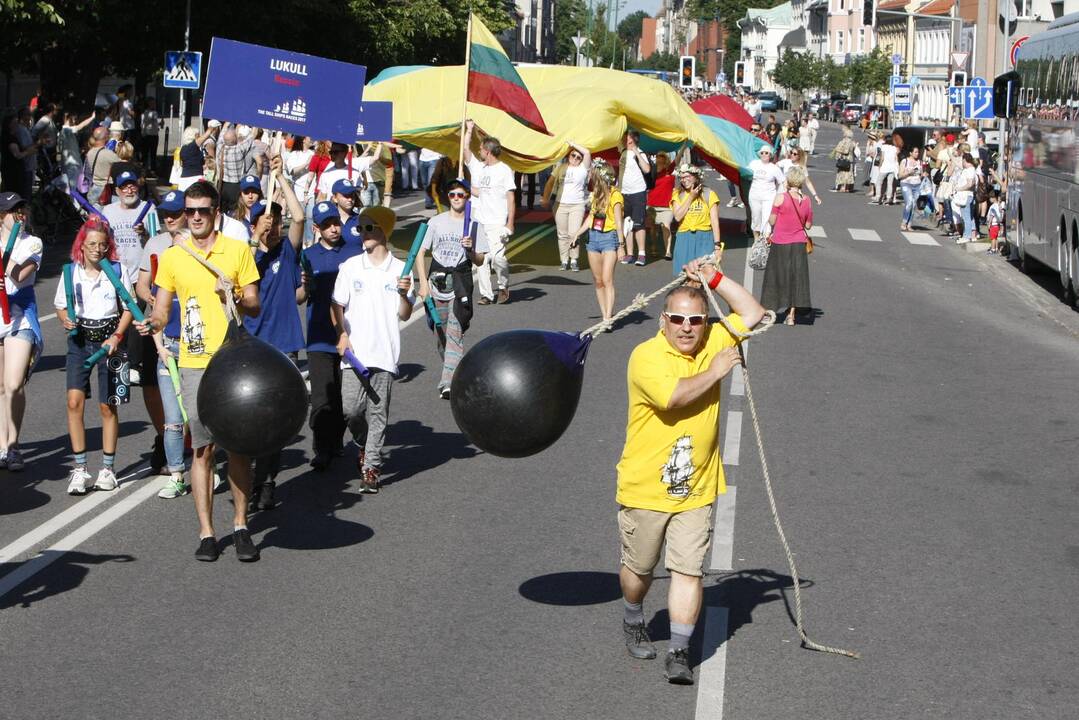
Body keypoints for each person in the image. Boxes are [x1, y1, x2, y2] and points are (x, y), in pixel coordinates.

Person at [616, 260, 765, 685]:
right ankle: (632, 615)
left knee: (688, 570)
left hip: (696, 489)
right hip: (645, 489)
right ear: (663, 321)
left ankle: (679, 652)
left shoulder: (714, 338)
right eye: (677, 319)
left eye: (695, 320)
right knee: (639, 572)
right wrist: (716, 370)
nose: (686, 328)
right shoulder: (645, 356)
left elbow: (753, 313)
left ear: (705, 322)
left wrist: (714, 278)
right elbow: (673, 397)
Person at [135, 180, 262, 563]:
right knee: (203, 448)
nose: (193, 217)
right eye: (189, 211)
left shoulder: (237, 251)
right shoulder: (174, 256)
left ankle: (240, 524)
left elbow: (255, 305)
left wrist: (235, 294)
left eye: (201, 211)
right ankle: (207, 532)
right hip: (193, 362)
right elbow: (162, 309)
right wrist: (152, 324)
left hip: (233, 361)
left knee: (238, 446)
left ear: (215, 214)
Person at [332, 206, 414, 494]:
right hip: (355, 352)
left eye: (369, 228)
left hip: (384, 352)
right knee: (351, 409)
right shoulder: (351, 267)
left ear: (383, 231)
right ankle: (364, 442)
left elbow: (404, 313)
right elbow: (337, 305)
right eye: (360, 229)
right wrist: (342, 335)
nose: (363, 234)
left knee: (378, 412)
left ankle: (372, 467)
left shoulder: (400, 270)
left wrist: (403, 293)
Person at [243, 157, 306, 511]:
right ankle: (250, 479)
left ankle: (268, 481)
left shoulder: (287, 250)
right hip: (252, 343)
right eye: (267, 221)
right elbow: (239, 277)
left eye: (275, 221)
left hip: (283, 345)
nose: (273, 226)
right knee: (251, 416)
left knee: (275, 417)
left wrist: (280, 178)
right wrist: (255, 238)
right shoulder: (247, 254)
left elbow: (299, 217)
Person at [55, 217, 134, 495]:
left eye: (102, 244)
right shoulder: (70, 272)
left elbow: (128, 308)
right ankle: (79, 468)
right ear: (82, 245)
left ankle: (108, 469)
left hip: (111, 343)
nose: (97, 249)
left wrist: (117, 336)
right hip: (80, 342)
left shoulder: (117, 270)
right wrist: (65, 320)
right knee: (74, 401)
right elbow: (61, 307)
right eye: (92, 244)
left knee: (107, 405)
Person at [299, 201, 364, 472]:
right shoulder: (309, 256)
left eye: (336, 222)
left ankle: (337, 440)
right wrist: (302, 285)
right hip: (318, 336)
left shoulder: (353, 251)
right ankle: (321, 448)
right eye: (326, 225)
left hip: (348, 334)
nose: (333, 228)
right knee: (322, 396)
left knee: (341, 394)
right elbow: (301, 296)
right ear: (316, 228)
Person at [135, 189, 189, 498]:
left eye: (175, 211)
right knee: (167, 411)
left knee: (196, 414)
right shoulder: (157, 247)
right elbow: (146, 290)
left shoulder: (197, 249)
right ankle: (173, 466)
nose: (169, 217)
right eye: (165, 212)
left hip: (194, 344)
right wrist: (155, 300)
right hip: (163, 337)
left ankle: (206, 466)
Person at [415, 179, 488, 398]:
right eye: (452, 195)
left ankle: (448, 382)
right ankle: (455, 369)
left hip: (460, 284)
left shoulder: (474, 225)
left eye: (461, 195)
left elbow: (480, 261)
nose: (456, 198)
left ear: (467, 198)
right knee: (442, 335)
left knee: (455, 333)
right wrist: (423, 283)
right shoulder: (436, 222)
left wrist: (471, 248)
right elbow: (420, 252)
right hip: (436, 283)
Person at [0, 192, 43, 471]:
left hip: (20, 316)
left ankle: (13, 446)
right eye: (12, 210)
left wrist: (5, 255)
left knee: (14, 384)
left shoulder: (33, 242)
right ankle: (2, 445)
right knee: (1, 387)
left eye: (21, 208)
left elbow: (20, 276)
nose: (19, 214)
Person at [463, 120, 516, 305]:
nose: (478, 152)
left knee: (498, 258)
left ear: (488, 151)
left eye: (481, 149)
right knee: (481, 260)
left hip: (498, 222)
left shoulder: (504, 171)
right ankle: (486, 294)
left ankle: (503, 285)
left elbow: (510, 197)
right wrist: (469, 130)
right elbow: (466, 151)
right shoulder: (480, 168)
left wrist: (510, 222)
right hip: (480, 221)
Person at [760, 166, 813, 326]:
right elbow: (809, 225)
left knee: (775, 278)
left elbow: (772, 220)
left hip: (781, 242)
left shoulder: (780, 198)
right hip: (798, 243)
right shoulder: (807, 200)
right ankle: (791, 316)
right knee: (796, 278)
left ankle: (769, 313)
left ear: (788, 181)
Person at [572, 160, 622, 326]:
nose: (592, 178)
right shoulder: (595, 195)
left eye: (594, 175)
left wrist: (621, 246)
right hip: (594, 238)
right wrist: (577, 234)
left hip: (609, 238)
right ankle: (604, 315)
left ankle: (608, 317)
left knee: (607, 279)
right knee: (598, 280)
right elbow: (592, 217)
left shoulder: (615, 195)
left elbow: (618, 221)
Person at [543, 142, 590, 272]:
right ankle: (564, 260)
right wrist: (545, 198)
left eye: (578, 157)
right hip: (560, 204)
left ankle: (574, 259)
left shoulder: (583, 169)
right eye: (572, 155)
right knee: (562, 234)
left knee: (574, 233)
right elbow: (551, 182)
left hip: (577, 205)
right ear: (568, 155)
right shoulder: (561, 167)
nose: (575, 158)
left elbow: (586, 152)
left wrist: (572, 142)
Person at [669, 164, 722, 277]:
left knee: (704, 276)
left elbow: (715, 222)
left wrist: (717, 246)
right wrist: (691, 197)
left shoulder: (709, 194)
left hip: (704, 238)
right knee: (683, 276)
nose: (684, 180)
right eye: (682, 177)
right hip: (684, 237)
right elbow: (677, 217)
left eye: (687, 176)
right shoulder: (678, 194)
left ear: (696, 177)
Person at [619, 130, 652, 266]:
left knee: (638, 224)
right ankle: (630, 253)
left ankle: (642, 254)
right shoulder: (623, 152)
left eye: (626, 137)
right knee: (627, 223)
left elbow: (647, 169)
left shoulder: (641, 153)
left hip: (638, 192)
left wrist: (637, 152)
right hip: (624, 192)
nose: (624, 139)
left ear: (633, 139)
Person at [746, 145, 785, 243]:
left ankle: (765, 239)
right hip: (754, 195)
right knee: (755, 217)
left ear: (770, 155)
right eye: (762, 153)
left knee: (766, 217)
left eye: (766, 153)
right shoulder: (754, 164)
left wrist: (781, 195)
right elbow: (745, 173)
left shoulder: (774, 168)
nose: (764, 154)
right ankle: (756, 238)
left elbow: (783, 182)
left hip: (769, 196)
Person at [646, 153, 676, 261]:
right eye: (658, 160)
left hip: (666, 206)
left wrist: (683, 147)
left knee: (666, 226)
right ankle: (654, 246)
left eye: (662, 161)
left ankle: (668, 251)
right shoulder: (651, 172)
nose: (660, 162)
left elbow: (676, 160)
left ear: (666, 162)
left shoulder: (669, 171)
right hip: (652, 204)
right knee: (652, 227)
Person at [83, 127, 121, 206]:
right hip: (106, 191)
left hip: (93, 189)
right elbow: (121, 169)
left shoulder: (89, 153)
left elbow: (87, 173)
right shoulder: (109, 154)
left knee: (95, 216)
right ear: (106, 137)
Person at [898, 147, 925, 232]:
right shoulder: (905, 161)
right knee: (909, 203)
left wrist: (923, 175)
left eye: (918, 152)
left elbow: (920, 175)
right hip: (906, 183)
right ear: (910, 153)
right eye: (915, 152)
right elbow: (900, 175)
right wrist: (909, 173)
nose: (917, 154)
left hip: (916, 185)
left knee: (913, 205)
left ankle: (909, 224)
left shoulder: (920, 162)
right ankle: (904, 222)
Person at [830, 127, 857, 194]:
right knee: (849, 174)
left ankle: (842, 187)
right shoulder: (852, 142)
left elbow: (845, 151)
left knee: (842, 173)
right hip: (850, 160)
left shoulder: (844, 141)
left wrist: (838, 150)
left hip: (844, 159)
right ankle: (847, 188)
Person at [874, 135, 899, 206]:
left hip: (885, 167)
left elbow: (882, 157)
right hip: (892, 167)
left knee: (878, 182)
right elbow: (895, 158)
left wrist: (879, 165)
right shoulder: (894, 148)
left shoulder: (884, 147)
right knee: (890, 184)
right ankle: (888, 198)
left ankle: (878, 196)